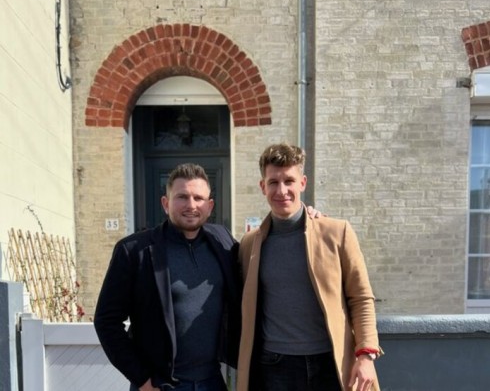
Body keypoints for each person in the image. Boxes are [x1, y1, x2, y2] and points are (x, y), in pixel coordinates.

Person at [236, 143, 383, 391]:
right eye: (273, 182)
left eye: (289, 181)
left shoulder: (336, 233)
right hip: (275, 366)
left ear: (302, 183)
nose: (281, 190)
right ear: (263, 187)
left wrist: (366, 355)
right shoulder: (249, 244)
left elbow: (361, 298)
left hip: (332, 363)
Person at [94, 163, 241, 391]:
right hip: (162, 384)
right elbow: (106, 321)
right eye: (182, 197)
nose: (191, 205)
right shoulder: (134, 251)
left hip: (213, 381)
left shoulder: (223, 241)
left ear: (210, 206)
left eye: (199, 198)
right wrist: (142, 379)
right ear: (165, 203)